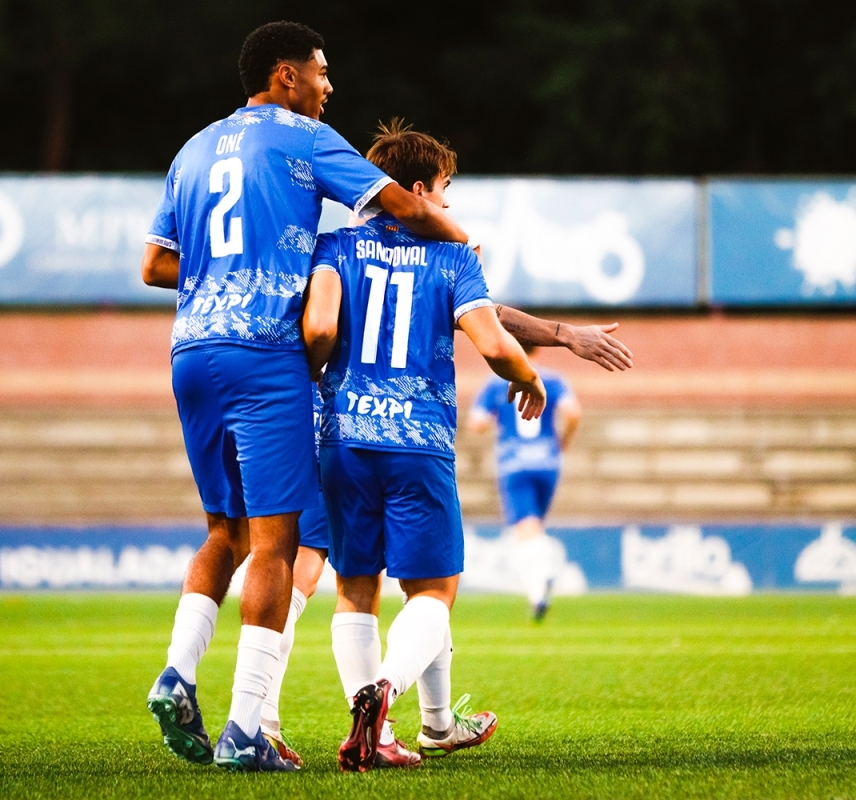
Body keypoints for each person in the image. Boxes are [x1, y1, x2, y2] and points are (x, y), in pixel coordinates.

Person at [139, 21, 474, 773]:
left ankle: (177, 672)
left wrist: (227, 270)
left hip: (192, 350)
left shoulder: (193, 149)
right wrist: (462, 238)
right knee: (276, 545)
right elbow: (407, 207)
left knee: (222, 531)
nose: (330, 86)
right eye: (322, 73)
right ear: (286, 76)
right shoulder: (302, 136)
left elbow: (155, 266)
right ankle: (246, 727)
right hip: (264, 357)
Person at [302, 119, 546, 772]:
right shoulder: (454, 256)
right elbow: (494, 345)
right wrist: (530, 377)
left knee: (355, 589)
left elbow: (319, 327)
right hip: (416, 441)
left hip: (344, 438)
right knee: (433, 592)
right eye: (444, 191)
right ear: (416, 188)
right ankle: (384, 695)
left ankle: (387, 729)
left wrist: (326, 379)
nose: (447, 206)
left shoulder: (334, 246)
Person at [468, 345, 582, 620]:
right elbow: (573, 412)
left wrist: (497, 418)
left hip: (514, 463)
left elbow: (476, 423)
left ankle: (539, 586)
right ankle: (541, 581)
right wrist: (563, 440)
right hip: (547, 462)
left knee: (525, 530)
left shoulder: (497, 383)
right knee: (534, 526)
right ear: (538, 350)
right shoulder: (552, 380)